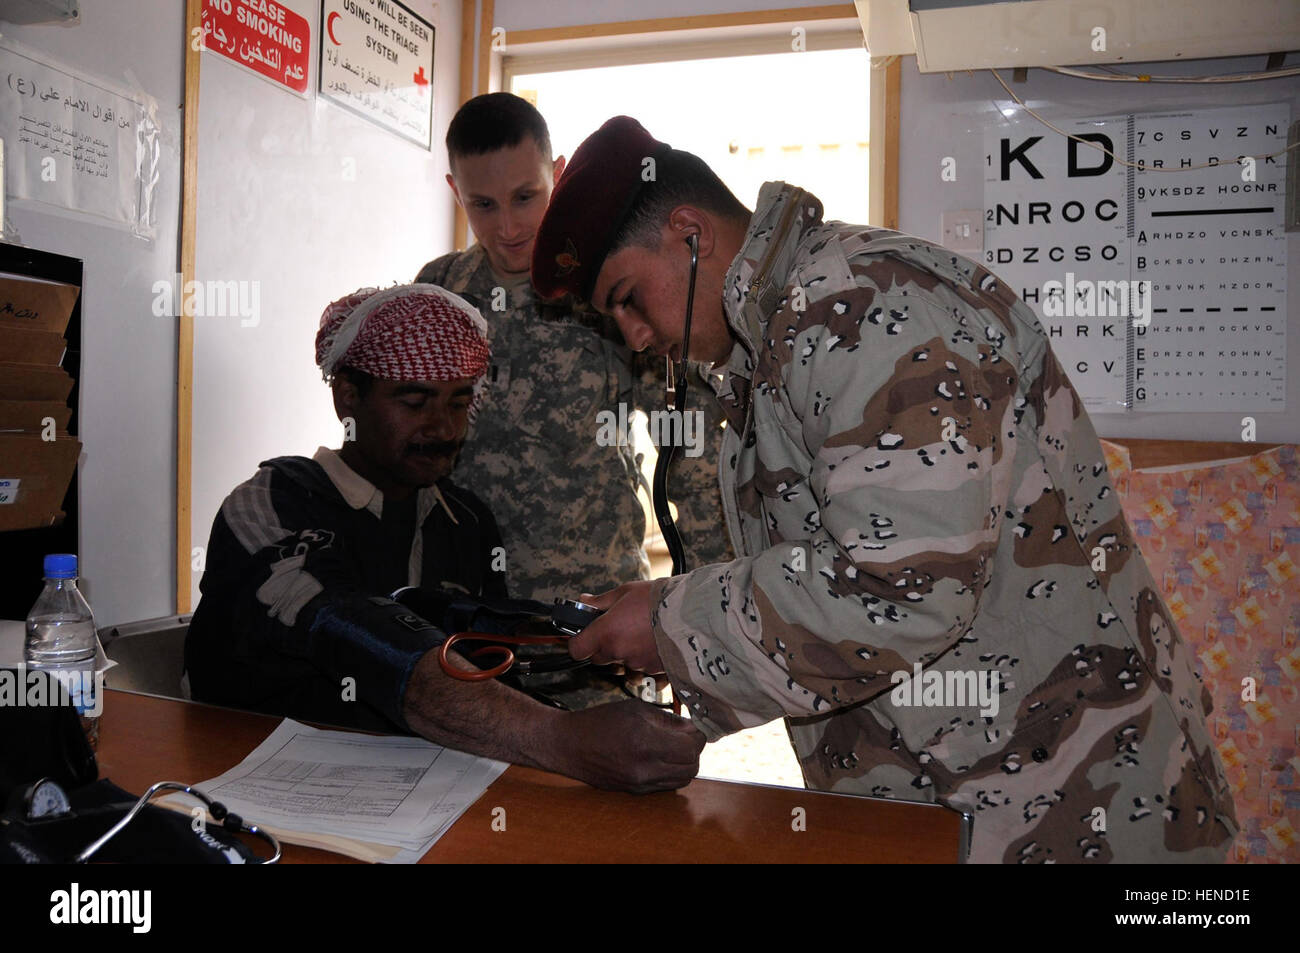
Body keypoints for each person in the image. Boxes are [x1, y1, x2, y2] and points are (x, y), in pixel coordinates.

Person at [532, 116, 1239, 861]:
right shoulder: (771, 350)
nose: (633, 336)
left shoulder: (863, 306)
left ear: (689, 233)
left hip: (1080, 808)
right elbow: (824, 575)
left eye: (627, 297)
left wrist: (672, 625)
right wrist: (667, 651)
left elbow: (902, 588)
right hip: (959, 800)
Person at [184, 283, 704, 794]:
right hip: (246, 786)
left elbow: (487, 660)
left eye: (459, 402)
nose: (444, 427)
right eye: (415, 402)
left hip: (418, 799)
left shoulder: (466, 521)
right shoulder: (271, 502)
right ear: (348, 396)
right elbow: (352, 631)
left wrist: (585, 642)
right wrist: (562, 739)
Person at [415, 92, 732, 604]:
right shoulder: (438, 292)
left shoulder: (608, 293)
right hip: (467, 609)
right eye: (483, 205)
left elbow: (694, 456)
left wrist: (705, 615)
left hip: (593, 614)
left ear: (556, 174)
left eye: (525, 196)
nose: (509, 227)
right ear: (455, 192)